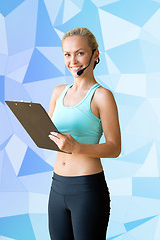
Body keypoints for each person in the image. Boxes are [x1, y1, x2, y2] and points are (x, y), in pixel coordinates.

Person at [47, 27, 121, 240]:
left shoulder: (101, 96)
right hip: (57, 187)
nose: (73, 61)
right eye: (67, 54)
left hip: (87, 189)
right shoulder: (58, 92)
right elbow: (50, 136)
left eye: (80, 53)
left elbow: (115, 147)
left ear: (95, 55)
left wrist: (77, 147)